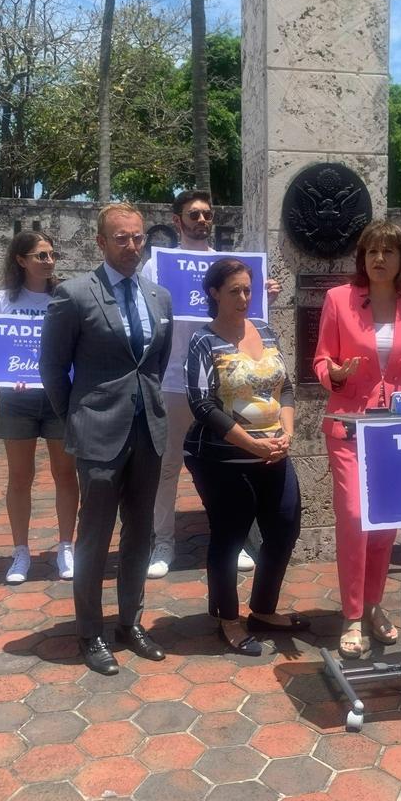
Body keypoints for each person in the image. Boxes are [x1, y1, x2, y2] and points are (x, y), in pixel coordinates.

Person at [40, 203, 173, 675]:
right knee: (94, 535)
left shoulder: (159, 297)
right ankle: (90, 632)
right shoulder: (74, 296)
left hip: (148, 430)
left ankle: (130, 622)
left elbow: (155, 364)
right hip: (97, 432)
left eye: (137, 237)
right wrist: (76, 417)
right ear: (101, 242)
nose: (131, 245)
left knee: (141, 531)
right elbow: (52, 369)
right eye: (121, 238)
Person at [314, 220, 401, 658]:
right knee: (353, 516)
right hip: (348, 422)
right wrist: (334, 373)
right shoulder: (338, 300)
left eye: (388, 252)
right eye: (371, 252)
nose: (379, 259)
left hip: (397, 427)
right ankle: (351, 614)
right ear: (362, 259)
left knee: (385, 522)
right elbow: (321, 358)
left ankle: (372, 605)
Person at [143, 191, 280, 579]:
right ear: (177, 220)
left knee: (229, 464)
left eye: (207, 213)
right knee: (168, 467)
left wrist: (263, 299)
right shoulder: (157, 268)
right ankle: (163, 542)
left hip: (225, 383)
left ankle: (236, 540)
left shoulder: (230, 267)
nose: (202, 220)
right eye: (193, 214)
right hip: (173, 379)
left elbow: (244, 308)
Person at [183, 258, 306, 655]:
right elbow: (201, 404)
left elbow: (284, 388)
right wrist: (250, 444)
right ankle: (227, 618)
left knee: (285, 528)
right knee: (230, 537)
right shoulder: (204, 340)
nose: (243, 298)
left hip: (274, 453)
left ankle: (263, 609)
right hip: (222, 460)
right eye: (234, 290)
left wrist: (286, 433)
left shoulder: (266, 331)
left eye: (248, 290)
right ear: (214, 293)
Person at [0, 230, 79, 584]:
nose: (49, 261)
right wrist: (9, 376)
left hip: (58, 397)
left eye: (52, 254)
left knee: (65, 474)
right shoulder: (1, 300)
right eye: (41, 255)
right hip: (16, 400)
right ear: (21, 260)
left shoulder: (65, 297)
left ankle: (66, 547)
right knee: (20, 477)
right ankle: (20, 551)